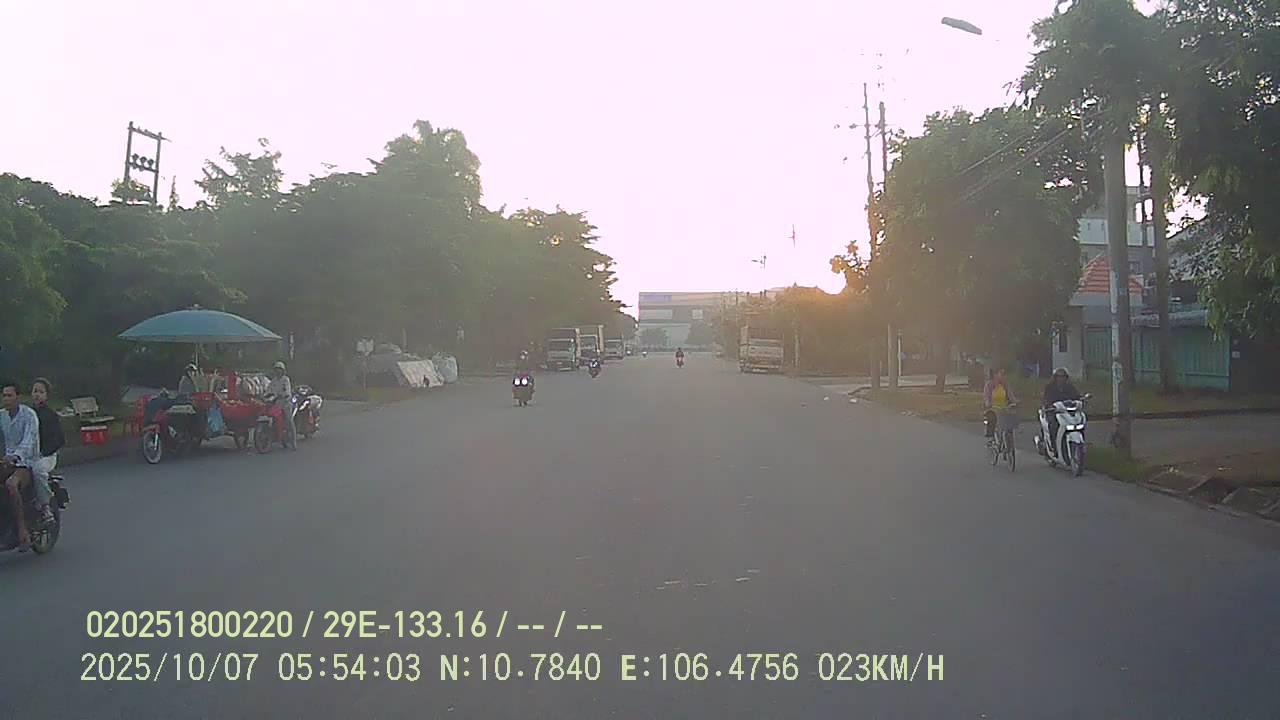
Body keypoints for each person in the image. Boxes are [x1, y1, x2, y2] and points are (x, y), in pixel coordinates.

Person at [0, 380, 41, 550]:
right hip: (6, 462)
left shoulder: (29, 415)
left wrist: (15, 456)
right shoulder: (2, 416)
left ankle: (21, 530)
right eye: (4, 395)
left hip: (26, 463)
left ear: (18, 397)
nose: (6, 399)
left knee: (11, 484)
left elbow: (29, 441)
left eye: (9, 395)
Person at [30, 378, 62, 524]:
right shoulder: (26, 414)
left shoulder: (51, 415)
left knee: (38, 470)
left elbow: (59, 440)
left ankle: (45, 506)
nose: (37, 394)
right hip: (27, 455)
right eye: (35, 391)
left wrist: (42, 453)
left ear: (47, 395)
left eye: (41, 392)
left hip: (46, 456)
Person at [1041, 367, 1082, 450]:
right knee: (1053, 425)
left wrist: (1081, 399)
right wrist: (1049, 405)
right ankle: (1054, 447)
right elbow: (1046, 399)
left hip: (1066, 412)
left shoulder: (1069, 387)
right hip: (1054, 412)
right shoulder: (1050, 387)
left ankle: (1081, 444)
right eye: (1059, 376)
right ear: (1055, 377)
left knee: (1079, 421)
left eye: (1063, 376)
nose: (1061, 378)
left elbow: (1076, 396)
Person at [266, 361, 296, 450]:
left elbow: (287, 391)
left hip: (285, 403)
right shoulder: (273, 381)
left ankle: (293, 442)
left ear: (283, 371)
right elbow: (268, 390)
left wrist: (284, 394)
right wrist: (265, 395)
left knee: (289, 421)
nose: (278, 371)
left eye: (279, 369)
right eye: (276, 369)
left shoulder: (285, 380)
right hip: (276, 403)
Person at [982, 367, 1018, 439]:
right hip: (993, 408)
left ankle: (1009, 438)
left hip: (1004, 408)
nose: (1003, 376)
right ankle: (992, 437)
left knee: (1010, 421)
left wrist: (1015, 402)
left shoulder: (1005, 384)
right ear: (995, 375)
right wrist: (988, 403)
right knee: (992, 418)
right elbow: (987, 397)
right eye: (1001, 374)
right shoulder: (988, 385)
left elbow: (1010, 396)